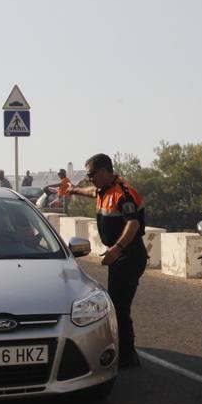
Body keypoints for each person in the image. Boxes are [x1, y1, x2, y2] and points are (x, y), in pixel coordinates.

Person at [67, 153, 148, 368]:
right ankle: (126, 353)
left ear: (104, 171)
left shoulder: (123, 193)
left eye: (91, 174)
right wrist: (74, 190)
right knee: (117, 304)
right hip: (120, 255)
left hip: (129, 255)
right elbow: (93, 192)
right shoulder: (104, 189)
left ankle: (127, 357)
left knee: (119, 307)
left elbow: (133, 225)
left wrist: (117, 249)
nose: (89, 178)